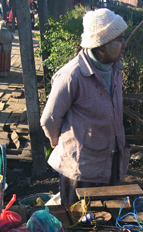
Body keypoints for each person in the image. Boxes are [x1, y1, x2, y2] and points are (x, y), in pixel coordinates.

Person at [40, 8, 129, 207]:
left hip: (112, 163)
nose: (124, 45)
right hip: (81, 170)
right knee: (77, 225)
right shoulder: (72, 76)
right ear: (101, 45)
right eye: (119, 40)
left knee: (109, 223)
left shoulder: (116, 70)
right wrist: (60, 144)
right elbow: (49, 120)